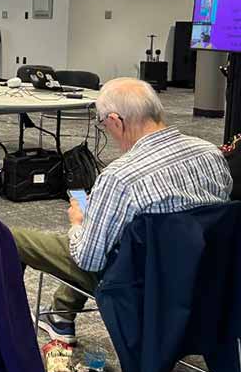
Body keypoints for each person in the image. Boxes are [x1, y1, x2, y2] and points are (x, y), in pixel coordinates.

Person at [12, 78, 232, 345]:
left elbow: (89, 260)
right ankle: (61, 314)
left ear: (116, 121)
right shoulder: (210, 154)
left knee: (9, 235)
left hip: (138, 284)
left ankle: (10, 333)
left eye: (104, 125)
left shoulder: (119, 177)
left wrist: (80, 222)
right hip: (202, 276)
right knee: (111, 232)